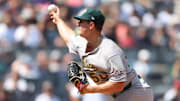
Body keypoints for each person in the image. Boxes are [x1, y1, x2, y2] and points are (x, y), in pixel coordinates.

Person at [49, 6, 153, 101]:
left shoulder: (108, 50)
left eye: (82, 22)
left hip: (136, 93)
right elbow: (69, 37)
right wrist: (58, 21)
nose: (78, 24)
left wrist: (90, 89)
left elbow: (119, 84)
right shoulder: (86, 43)